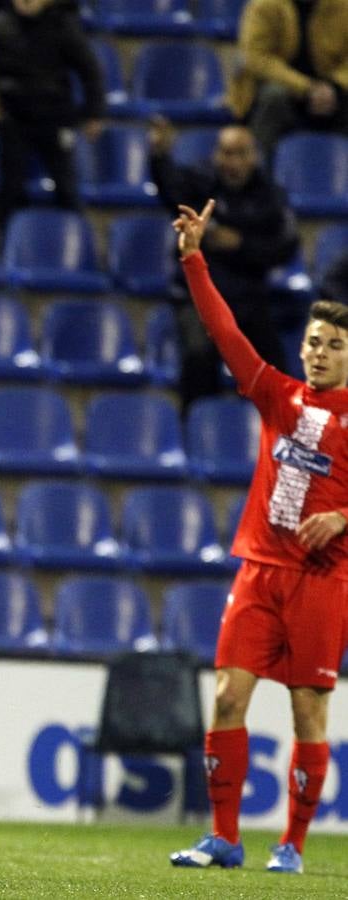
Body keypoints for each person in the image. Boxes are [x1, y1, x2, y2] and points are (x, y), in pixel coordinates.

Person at [169, 199, 348, 876]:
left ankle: (293, 846)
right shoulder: (278, 395)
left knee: (308, 712)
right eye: (313, 341)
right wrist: (192, 256)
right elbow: (225, 333)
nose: (319, 353)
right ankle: (224, 839)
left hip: (322, 580)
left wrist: (344, 518)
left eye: (334, 345)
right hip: (259, 572)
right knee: (225, 698)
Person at [149, 120, 299, 410]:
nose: (233, 162)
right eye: (226, 153)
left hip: (248, 298)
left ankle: (282, 440)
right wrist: (159, 156)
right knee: (198, 355)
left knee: (275, 368)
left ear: (253, 156)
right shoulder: (199, 184)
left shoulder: (270, 196)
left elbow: (284, 248)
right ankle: (196, 427)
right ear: (216, 155)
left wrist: (241, 245)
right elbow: (171, 191)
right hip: (198, 299)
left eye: (240, 153)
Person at [0, 0, 105, 215]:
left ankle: (76, 237)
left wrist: (93, 113)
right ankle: (7, 241)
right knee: (10, 189)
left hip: (55, 117)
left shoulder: (62, 25)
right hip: (14, 118)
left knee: (67, 188)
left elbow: (90, 70)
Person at [229, 0, 348, 160]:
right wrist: (307, 88)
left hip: (331, 95)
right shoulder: (263, 5)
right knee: (274, 97)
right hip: (281, 91)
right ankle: (259, 172)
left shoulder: (342, 6)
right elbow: (255, 57)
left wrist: (335, 87)